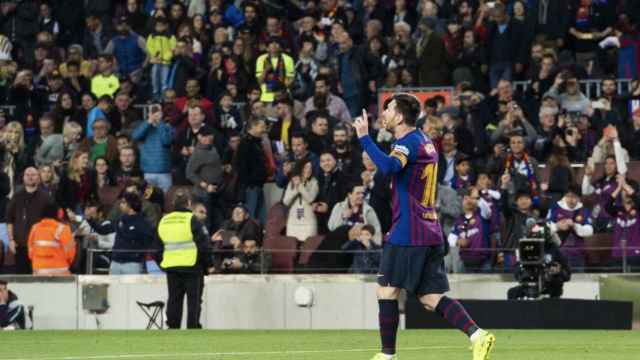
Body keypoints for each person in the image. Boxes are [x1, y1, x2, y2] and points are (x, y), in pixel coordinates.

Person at [353, 94, 495, 360]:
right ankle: (478, 335)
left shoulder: (407, 143)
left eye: (388, 109)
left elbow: (389, 167)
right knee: (430, 297)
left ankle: (387, 356)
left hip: (409, 230)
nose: (384, 114)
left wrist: (364, 137)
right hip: (429, 229)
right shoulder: (425, 142)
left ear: (400, 115)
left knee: (386, 290)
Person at [157, 192, 209, 329]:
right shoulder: (192, 219)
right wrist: (207, 264)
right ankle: (192, 327)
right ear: (189, 204)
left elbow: (156, 246)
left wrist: (162, 263)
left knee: (174, 298)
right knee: (194, 300)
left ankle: (173, 327)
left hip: (171, 266)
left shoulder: (164, 220)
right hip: (191, 265)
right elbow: (203, 244)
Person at [88, 192, 154, 275]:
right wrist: (90, 220)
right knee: (113, 288)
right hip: (115, 262)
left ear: (131, 205)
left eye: (123, 202)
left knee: (132, 288)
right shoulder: (120, 220)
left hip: (133, 264)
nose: (120, 204)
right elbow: (103, 230)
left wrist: (137, 253)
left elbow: (148, 240)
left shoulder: (143, 222)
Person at [5, 167, 52, 274]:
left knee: (39, 277)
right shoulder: (16, 196)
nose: (30, 177)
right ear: (23, 178)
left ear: (38, 178)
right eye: (28, 175)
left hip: (40, 246)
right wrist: (11, 240)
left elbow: (52, 222)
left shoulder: (46, 198)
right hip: (20, 245)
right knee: (22, 278)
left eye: (33, 175)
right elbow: (9, 220)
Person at [546, 186, 594, 271]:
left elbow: (590, 231)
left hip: (577, 255)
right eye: (568, 196)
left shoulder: (583, 210)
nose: (571, 200)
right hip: (558, 255)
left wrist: (575, 226)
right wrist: (557, 226)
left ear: (579, 198)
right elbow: (546, 229)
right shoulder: (555, 208)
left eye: (574, 197)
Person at [132, 103, 173, 193]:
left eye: (157, 111)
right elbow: (135, 136)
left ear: (162, 113)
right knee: (148, 199)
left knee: (166, 200)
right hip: (148, 171)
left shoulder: (167, 126)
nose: (155, 113)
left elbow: (166, 141)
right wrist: (149, 121)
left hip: (164, 172)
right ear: (148, 113)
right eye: (153, 111)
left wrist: (159, 123)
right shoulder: (144, 126)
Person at [27, 202, 75, 276]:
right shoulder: (64, 229)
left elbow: (30, 251)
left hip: (39, 270)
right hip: (60, 270)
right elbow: (70, 252)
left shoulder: (35, 228)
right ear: (58, 214)